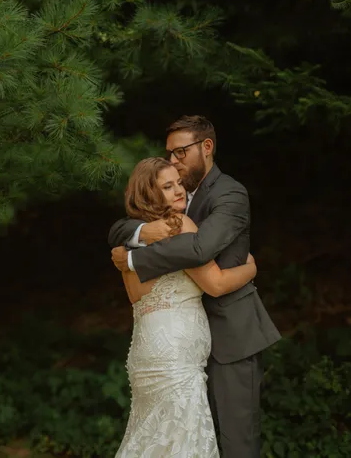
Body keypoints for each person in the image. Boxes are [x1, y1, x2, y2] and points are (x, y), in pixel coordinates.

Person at [109, 116, 281, 458]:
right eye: (169, 153)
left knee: (234, 443)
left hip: (231, 338)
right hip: (178, 346)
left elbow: (200, 248)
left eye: (181, 152)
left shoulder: (230, 193)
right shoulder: (175, 198)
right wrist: (143, 233)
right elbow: (121, 229)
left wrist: (133, 260)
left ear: (206, 147)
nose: (174, 160)